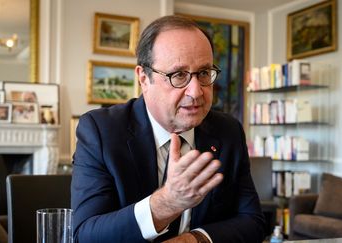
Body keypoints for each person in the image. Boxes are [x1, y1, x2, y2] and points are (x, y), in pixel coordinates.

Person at [71, 15, 266, 243]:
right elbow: (85, 236)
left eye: (203, 73)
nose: (196, 92)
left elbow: (253, 222)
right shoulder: (101, 131)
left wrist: (194, 240)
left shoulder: (228, 131)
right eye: (179, 75)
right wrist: (167, 203)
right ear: (144, 78)